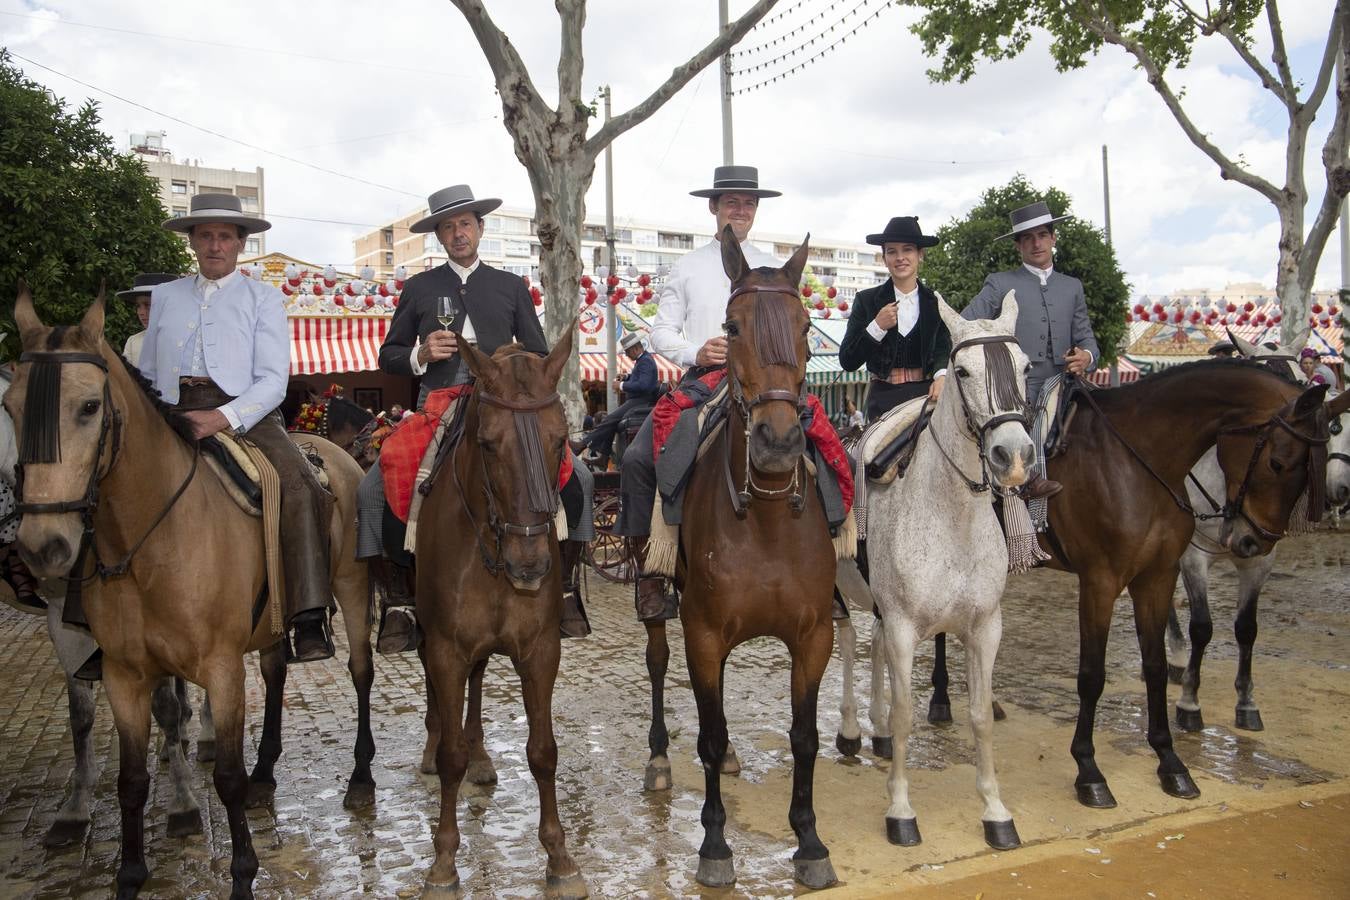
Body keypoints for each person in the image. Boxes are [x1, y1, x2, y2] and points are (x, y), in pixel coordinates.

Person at [355, 184, 583, 649]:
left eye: (464, 224)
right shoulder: (419, 288)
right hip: (439, 401)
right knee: (373, 487)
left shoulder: (510, 286)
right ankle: (400, 597)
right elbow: (388, 355)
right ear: (438, 236)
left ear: (480, 228)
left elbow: (540, 351)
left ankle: (566, 585)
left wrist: (510, 360)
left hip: (502, 403)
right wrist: (420, 353)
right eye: (447, 227)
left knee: (579, 477)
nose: (457, 233)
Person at [141, 193, 335, 664]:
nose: (214, 244)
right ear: (191, 242)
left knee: (299, 484)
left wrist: (221, 418)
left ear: (241, 244)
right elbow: (146, 369)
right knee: (103, 475)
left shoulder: (263, 298)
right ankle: (90, 617)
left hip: (244, 411)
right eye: (204, 235)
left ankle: (308, 615)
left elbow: (273, 380)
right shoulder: (165, 296)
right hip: (169, 408)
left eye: (224, 236)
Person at [618, 164, 781, 621]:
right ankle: (651, 569)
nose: (741, 210)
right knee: (636, 459)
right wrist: (697, 349)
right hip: (703, 381)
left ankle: (828, 563)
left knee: (824, 450)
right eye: (731, 202)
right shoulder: (688, 267)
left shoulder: (771, 266)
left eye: (749, 203)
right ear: (714, 207)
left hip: (765, 385)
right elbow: (660, 333)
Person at [961, 200, 1100, 499]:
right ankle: (1022, 487)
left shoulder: (1072, 286)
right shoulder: (1000, 283)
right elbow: (966, 322)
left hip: (1067, 382)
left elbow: (1087, 339)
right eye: (1028, 238)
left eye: (1041, 235)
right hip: (1018, 387)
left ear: (1053, 238)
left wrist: (1086, 356)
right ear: (1018, 246)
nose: (1036, 243)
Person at [839, 216, 951, 422]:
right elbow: (847, 360)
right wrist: (876, 327)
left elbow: (943, 348)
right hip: (882, 403)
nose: (900, 257)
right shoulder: (866, 300)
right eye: (892, 251)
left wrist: (942, 376)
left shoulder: (936, 302)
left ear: (920, 254)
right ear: (884, 258)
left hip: (929, 400)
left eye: (907, 249)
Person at [578, 332, 661, 468]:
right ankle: (604, 457)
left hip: (640, 401)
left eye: (628, 352)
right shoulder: (643, 360)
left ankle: (583, 445)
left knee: (609, 419)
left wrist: (621, 385)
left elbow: (644, 385)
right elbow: (641, 380)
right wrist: (627, 377)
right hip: (638, 400)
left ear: (635, 348)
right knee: (611, 422)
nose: (627, 355)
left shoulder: (645, 361)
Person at [117, 273, 177, 366]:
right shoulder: (133, 342)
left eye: (148, 305)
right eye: (138, 306)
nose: (141, 312)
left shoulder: (192, 341)